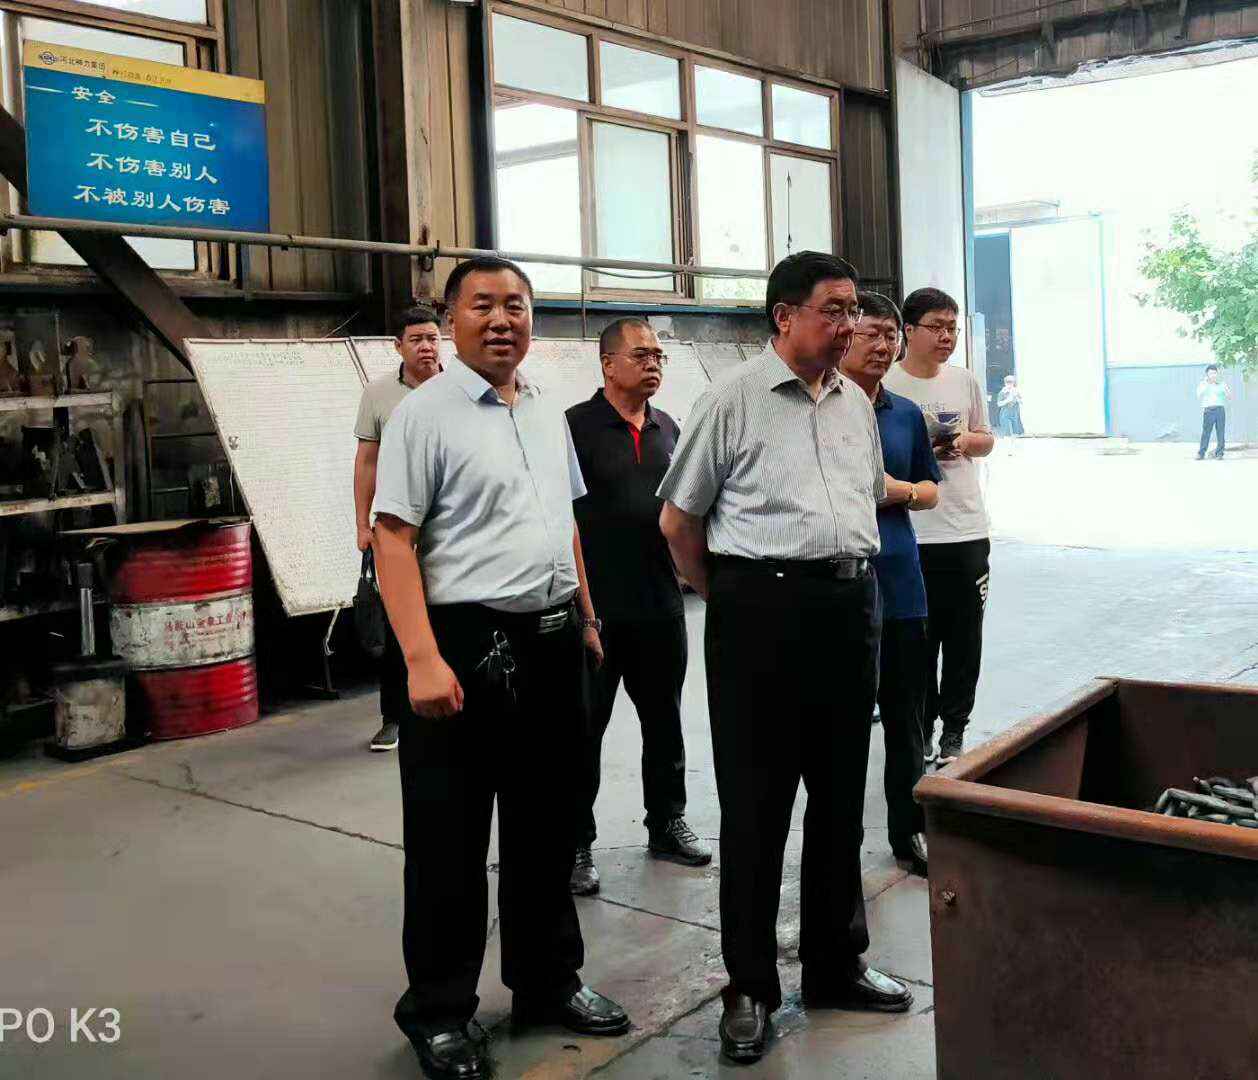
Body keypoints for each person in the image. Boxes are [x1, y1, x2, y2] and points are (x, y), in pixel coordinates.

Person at [372, 256, 629, 1080]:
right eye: (482, 304)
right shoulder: (423, 416)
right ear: (451, 320)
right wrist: (421, 660)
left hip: (553, 639)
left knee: (546, 824)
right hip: (464, 643)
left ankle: (547, 982)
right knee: (449, 838)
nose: (501, 319)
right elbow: (392, 538)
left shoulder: (546, 409)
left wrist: (586, 616)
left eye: (515, 305)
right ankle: (440, 1010)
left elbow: (564, 523)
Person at [659, 252, 912, 1066]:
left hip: (851, 608)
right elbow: (678, 524)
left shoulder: (854, 403)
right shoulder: (730, 400)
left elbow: (865, 495)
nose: (850, 325)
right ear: (783, 316)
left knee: (840, 799)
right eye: (834, 310)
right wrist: (737, 597)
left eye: (853, 311)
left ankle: (836, 963)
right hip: (760, 614)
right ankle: (750, 987)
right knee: (757, 807)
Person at [565, 317, 710, 898]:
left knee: (665, 722)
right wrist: (584, 612)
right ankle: (576, 843)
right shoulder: (574, 428)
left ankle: (667, 823)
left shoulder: (668, 428)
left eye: (658, 355)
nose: (653, 363)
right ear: (608, 364)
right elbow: (561, 520)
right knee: (583, 731)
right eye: (641, 354)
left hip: (659, 605)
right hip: (596, 611)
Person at [840, 292, 941, 877]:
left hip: (902, 584)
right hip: (843, 590)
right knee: (845, 724)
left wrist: (894, 490)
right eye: (870, 334)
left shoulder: (904, 414)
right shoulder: (823, 407)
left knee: (907, 720)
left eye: (890, 335)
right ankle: (841, 839)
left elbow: (930, 488)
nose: (882, 346)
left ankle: (909, 831)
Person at [884, 288, 994, 769]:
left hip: (965, 529)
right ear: (909, 331)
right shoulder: (885, 385)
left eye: (952, 328)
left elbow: (987, 438)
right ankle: (921, 726)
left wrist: (965, 441)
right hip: (913, 534)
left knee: (965, 638)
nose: (947, 336)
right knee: (918, 640)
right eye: (937, 326)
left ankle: (954, 730)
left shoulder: (964, 381)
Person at [354, 306, 443, 752]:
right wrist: (361, 524)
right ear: (398, 346)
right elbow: (366, 462)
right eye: (416, 340)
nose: (426, 347)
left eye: (432, 338)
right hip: (397, 526)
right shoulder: (379, 394)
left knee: (448, 616)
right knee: (396, 622)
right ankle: (393, 717)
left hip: (447, 525)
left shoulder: (459, 387)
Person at [1196, 364, 1230, 460]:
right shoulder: (1203, 384)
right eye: (1211, 373)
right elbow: (1199, 395)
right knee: (1206, 433)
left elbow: (1229, 396)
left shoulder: (1222, 384)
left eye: (1215, 373)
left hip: (1220, 410)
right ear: (1207, 374)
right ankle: (1201, 453)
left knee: (1220, 432)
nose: (1213, 375)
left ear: (1217, 374)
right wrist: (1206, 384)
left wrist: (1226, 390)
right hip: (1209, 411)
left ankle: (1220, 453)